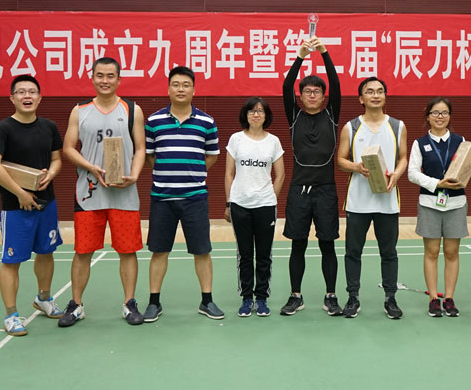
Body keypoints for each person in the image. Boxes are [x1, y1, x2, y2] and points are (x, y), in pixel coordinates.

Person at [58, 57, 147, 327]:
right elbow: (68, 147)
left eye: (110, 76)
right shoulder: (80, 110)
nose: (105, 80)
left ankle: (129, 303)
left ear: (119, 79)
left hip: (124, 194)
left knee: (127, 251)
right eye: (100, 75)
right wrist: (90, 166)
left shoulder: (132, 109)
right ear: (92, 77)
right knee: (83, 251)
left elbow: (140, 148)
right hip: (89, 194)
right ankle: (76, 305)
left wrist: (135, 175)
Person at [0, 75, 64, 336]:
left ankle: (44, 298)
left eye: (32, 91)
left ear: (40, 97)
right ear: (12, 98)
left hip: (46, 203)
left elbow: (56, 159)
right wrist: (20, 193)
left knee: (46, 252)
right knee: (12, 261)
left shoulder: (49, 127)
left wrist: (52, 174)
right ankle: (11, 315)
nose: (26, 96)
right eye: (21, 92)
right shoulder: (2, 129)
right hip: (15, 207)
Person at [144, 66, 224, 321]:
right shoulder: (153, 121)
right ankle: (154, 303)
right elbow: (149, 156)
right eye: (176, 84)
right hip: (162, 198)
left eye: (186, 85)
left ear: (193, 89)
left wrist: (192, 171)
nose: (181, 89)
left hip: (195, 198)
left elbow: (211, 156)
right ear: (168, 89)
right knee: (159, 251)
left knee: (202, 251)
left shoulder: (207, 122)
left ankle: (207, 301)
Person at [280, 36, 344, 317]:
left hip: (326, 190)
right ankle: (296, 296)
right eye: (307, 91)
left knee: (327, 245)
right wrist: (300, 56)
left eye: (317, 91)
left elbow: (336, 84)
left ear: (323, 96)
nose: (313, 95)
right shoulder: (294, 116)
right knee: (298, 245)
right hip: (298, 191)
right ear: (301, 96)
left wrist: (324, 52)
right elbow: (286, 86)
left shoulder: (331, 115)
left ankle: (331, 296)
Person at [336, 77, 407, 319]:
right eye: (370, 92)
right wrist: (357, 167)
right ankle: (353, 297)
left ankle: (390, 298)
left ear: (385, 96)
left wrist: (396, 175)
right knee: (353, 252)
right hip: (358, 201)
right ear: (361, 98)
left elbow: (403, 157)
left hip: (387, 200)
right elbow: (341, 159)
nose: (375, 95)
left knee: (389, 252)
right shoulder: (351, 127)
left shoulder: (397, 126)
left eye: (379, 91)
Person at [224, 97, 285, 317]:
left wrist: (269, 198)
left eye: (260, 111)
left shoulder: (273, 141)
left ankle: (261, 298)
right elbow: (229, 174)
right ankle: (246, 298)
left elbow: (280, 175)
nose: (256, 115)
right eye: (252, 111)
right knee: (245, 254)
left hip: (265, 206)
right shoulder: (236, 139)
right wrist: (229, 202)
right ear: (246, 115)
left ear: (266, 115)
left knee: (264, 254)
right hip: (239, 204)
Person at [407, 97, 467, 318]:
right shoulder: (419, 143)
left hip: (456, 203)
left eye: (444, 113)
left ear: (449, 116)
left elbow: (467, 168)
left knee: (452, 252)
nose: (440, 117)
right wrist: (437, 184)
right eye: (435, 113)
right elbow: (412, 173)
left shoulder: (461, 141)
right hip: (430, 203)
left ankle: (449, 298)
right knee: (431, 252)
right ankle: (434, 298)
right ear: (428, 116)